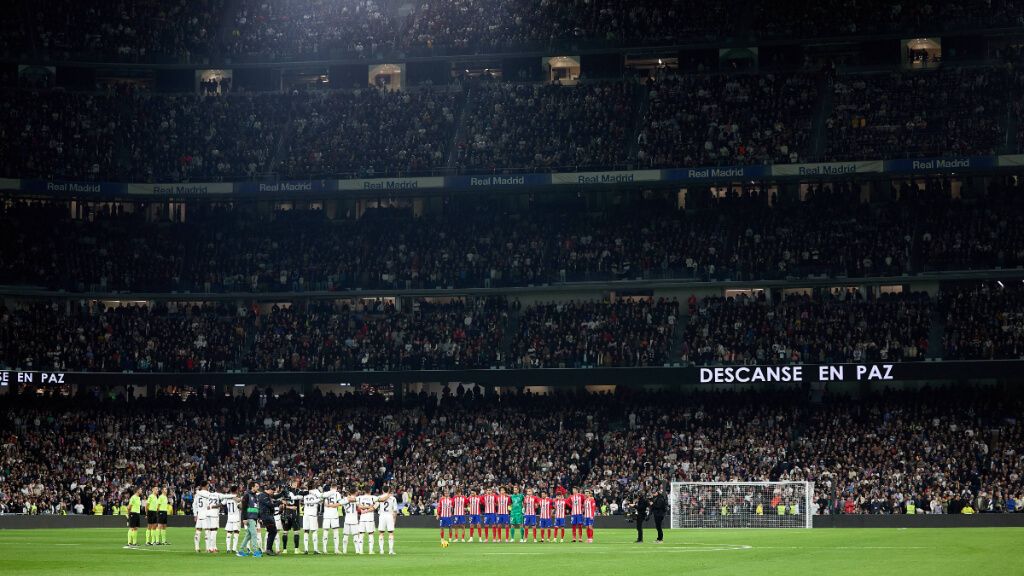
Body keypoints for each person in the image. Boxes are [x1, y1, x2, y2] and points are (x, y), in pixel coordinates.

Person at [237, 481, 262, 557]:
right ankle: (255, 551)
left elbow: (256, 507)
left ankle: (241, 551)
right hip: (249, 517)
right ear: (252, 487)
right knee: (254, 534)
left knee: (248, 535)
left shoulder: (255, 496)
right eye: (256, 486)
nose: (258, 488)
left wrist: (259, 517)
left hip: (254, 517)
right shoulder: (247, 495)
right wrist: (244, 518)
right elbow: (244, 507)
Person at [321, 483, 343, 554]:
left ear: (331, 487)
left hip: (326, 515)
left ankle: (324, 549)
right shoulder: (337, 494)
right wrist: (332, 505)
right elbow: (339, 503)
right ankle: (336, 550)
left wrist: (328, 505)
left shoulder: (326, 493)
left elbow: (322, 499)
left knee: (325, 531)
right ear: (336, 488)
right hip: (334, 514)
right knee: (335, 531)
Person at [257, 485, 279, 556]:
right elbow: (270, 505)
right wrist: (278, 503)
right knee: (273, 531)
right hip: (266, 516)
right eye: (272, 491)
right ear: (269, 490)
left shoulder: (265, 495)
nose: (273, 493)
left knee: (272, 532)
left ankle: (269, 549)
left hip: (268, 516)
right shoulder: (263, 495)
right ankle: (268, 549)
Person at [302, 485, 323, 554]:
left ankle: (306, 549)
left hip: (305, 514)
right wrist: (319, 499)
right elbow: (321, 499)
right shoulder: (316, 492)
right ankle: (315, 550)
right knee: (314, 531)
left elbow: (304, 502)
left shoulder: (305, 493)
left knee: (306, 531)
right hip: (312, 514)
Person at [376, 489, 398, 555]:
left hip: (382, 515)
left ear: (382, 490)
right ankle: (390, 551)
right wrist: (394, 520)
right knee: (391, 533)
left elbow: (375, 506)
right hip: (389, 515)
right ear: (389, 490)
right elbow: (395, 510)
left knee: (381, 533)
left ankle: (381, 550)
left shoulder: (379, 497)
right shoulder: (393, 498)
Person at [357, 487, 378, 553]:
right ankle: (370, 551)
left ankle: (361, 551)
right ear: (370, 490)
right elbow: (374, 507)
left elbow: (359, 506)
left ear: (364, 491)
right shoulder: (374, 497)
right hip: (370, 518)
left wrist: (364, 510)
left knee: (361, 533)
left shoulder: (359, 497)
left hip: (362, 518)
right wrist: (368, 508)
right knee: (371, 533)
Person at [223, 486, 242, 553]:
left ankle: (228, 549)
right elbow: (240, 507)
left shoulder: (227, 497)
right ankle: (234, 549)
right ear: (236, 490)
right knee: (236, 532)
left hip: (229, 518)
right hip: (236, 518)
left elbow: (222, 503)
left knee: (229, 532)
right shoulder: (237, 498)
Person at [341, 489, 360, 554]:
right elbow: (359, 507)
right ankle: (357, 550)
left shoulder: (345, 499)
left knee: (345, 535)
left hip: (347, 518)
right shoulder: (357, 499)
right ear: (355, 492)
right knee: (355, 535)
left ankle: (344, 551)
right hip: (354, 519)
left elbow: (341, 503)